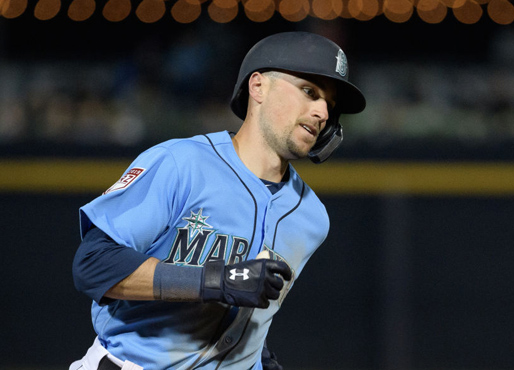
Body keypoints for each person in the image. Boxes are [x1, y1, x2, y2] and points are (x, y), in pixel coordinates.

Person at [70, 31, 366, 370]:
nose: (322, 112)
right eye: (309, 91)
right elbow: (93, 264)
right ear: (258, 87)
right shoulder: (181, 163)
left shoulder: (311, 217)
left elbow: (245, 320)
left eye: (329, 103)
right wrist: (216, 280)